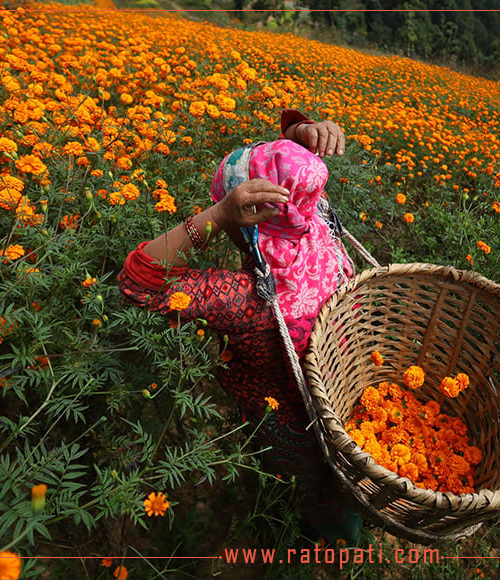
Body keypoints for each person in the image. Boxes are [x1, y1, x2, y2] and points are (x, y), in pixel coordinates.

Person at [117, 110, 362, 545]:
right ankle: (337, 539)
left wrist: (216, 217)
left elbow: (137, 281)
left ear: (247, 224)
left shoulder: (244, 299)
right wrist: (299, 134)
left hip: (293, 430)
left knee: (310, 494)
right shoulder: (323, 236)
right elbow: (292, 176)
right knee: (344, 488)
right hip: (354, 408)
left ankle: (311, 542)